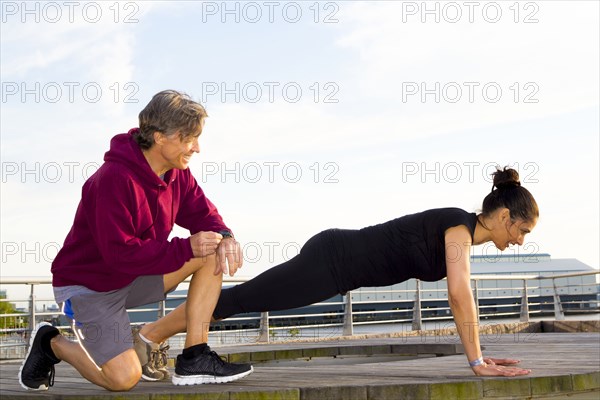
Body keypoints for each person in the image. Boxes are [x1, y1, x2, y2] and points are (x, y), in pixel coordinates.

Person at [144, 167, 537, 377]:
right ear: (504, 216)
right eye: (521, 230)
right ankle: (150, 335)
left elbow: (459, 291)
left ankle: (151, 336)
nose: (520, 240)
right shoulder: (458, 227)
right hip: (333, 261)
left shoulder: (461, 232)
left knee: (242, 299)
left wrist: (478, 357)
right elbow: (459, 293)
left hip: (337, 266)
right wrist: (476, 361)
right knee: (242, 299)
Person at [18, 90, 252, 392]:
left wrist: (226, 236)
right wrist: (186, 247)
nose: (197, 147)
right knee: (122, 379)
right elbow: (119, 254)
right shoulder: (113, 180)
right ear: (159, 137)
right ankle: (51, 343)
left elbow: (204, 215)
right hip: (89, 287)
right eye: (188, 138)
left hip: (133, 276)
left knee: (212, 249)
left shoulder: (177, 173)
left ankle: (195, 356)